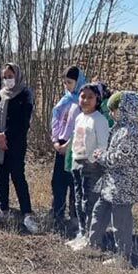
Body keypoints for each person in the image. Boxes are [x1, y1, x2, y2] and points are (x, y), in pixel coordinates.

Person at [84, 91, 138, 267]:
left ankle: (123, 257)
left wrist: (102, 156)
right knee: (100, 211)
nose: (111, 113)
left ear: (124, 110)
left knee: (120, 221)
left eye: (113, 110)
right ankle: (93, 245)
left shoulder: (130, 133)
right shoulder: (120, 129)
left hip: (124, 186)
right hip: (113, 183)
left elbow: (119, 159)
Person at [0, 63, 40, 233]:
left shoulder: (25, 94)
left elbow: (23, 122)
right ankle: (4, 209)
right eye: (5, 77)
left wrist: (6, 136)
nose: (8, 79)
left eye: (11, 76)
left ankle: (27, 213)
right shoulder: (0, 95)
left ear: (17, 76)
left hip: (16, 143)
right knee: (0, 174)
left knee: (18, 176)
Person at [67, 83, 111, 249]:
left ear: (97, 99)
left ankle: (91, 238)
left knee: (89, 202)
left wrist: (92, 160)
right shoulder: (79, 117)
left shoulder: (99, 120)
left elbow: (102, 145)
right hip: (77, 162)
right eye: (83, 96)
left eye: (90, 97)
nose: (85, 100)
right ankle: (82, 232)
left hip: (91, 166)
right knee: (78, 201)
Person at [50, 66, 86, 234]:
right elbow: (56, 120)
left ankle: (74, 217)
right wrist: (56, 141)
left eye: (70, 82)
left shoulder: (83, 101)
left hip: (74, 146)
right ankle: (57, 213)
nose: (67, 85)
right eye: (65, 82)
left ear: (78, 81)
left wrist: (67, 146)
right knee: (58, 182)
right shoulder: (65, 99)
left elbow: (80, 128)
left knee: (73, 182)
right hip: (60, 144)